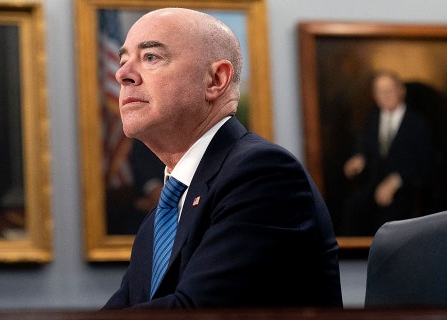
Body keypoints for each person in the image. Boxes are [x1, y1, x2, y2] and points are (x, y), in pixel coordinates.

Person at [103, 8, 342, 309]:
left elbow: (196, 312)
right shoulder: (161, 216)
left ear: (216, 80)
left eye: (150, 57)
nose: (122, 74)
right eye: (123, 61)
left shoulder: (264, 176)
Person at [342, 70, 434, 236]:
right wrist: (359, 158)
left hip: (406, 193)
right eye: (379, 91)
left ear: (401, 91)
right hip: (372, 189)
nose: (384, 95)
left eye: (388, 90)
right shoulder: (372, 120)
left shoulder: (417, 124)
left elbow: (426, 164)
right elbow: (364, 148)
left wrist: (397, 180)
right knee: (352, 212)